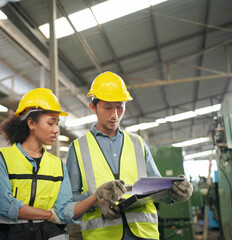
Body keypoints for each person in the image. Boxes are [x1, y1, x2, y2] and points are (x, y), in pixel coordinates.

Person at [66, 71, 194, 240]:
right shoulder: (78, 148)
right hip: (103, 235)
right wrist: (96, 201)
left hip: (144, 234)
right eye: (107, 107)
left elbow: (157, 187)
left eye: (120, 107)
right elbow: (69, 202)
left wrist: (175, 192)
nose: (115, 115)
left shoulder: (138, 143)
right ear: (93, 107)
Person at [0, 88, 126, 240]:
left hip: (47, 233)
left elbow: (64, 210)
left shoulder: (57, 165)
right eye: (50, 123)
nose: (56, 130)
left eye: (57, 123)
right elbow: (5, 205)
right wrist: (48, 214)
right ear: (31, 123)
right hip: (9, 234)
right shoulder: (2, 158)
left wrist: (95, 196)